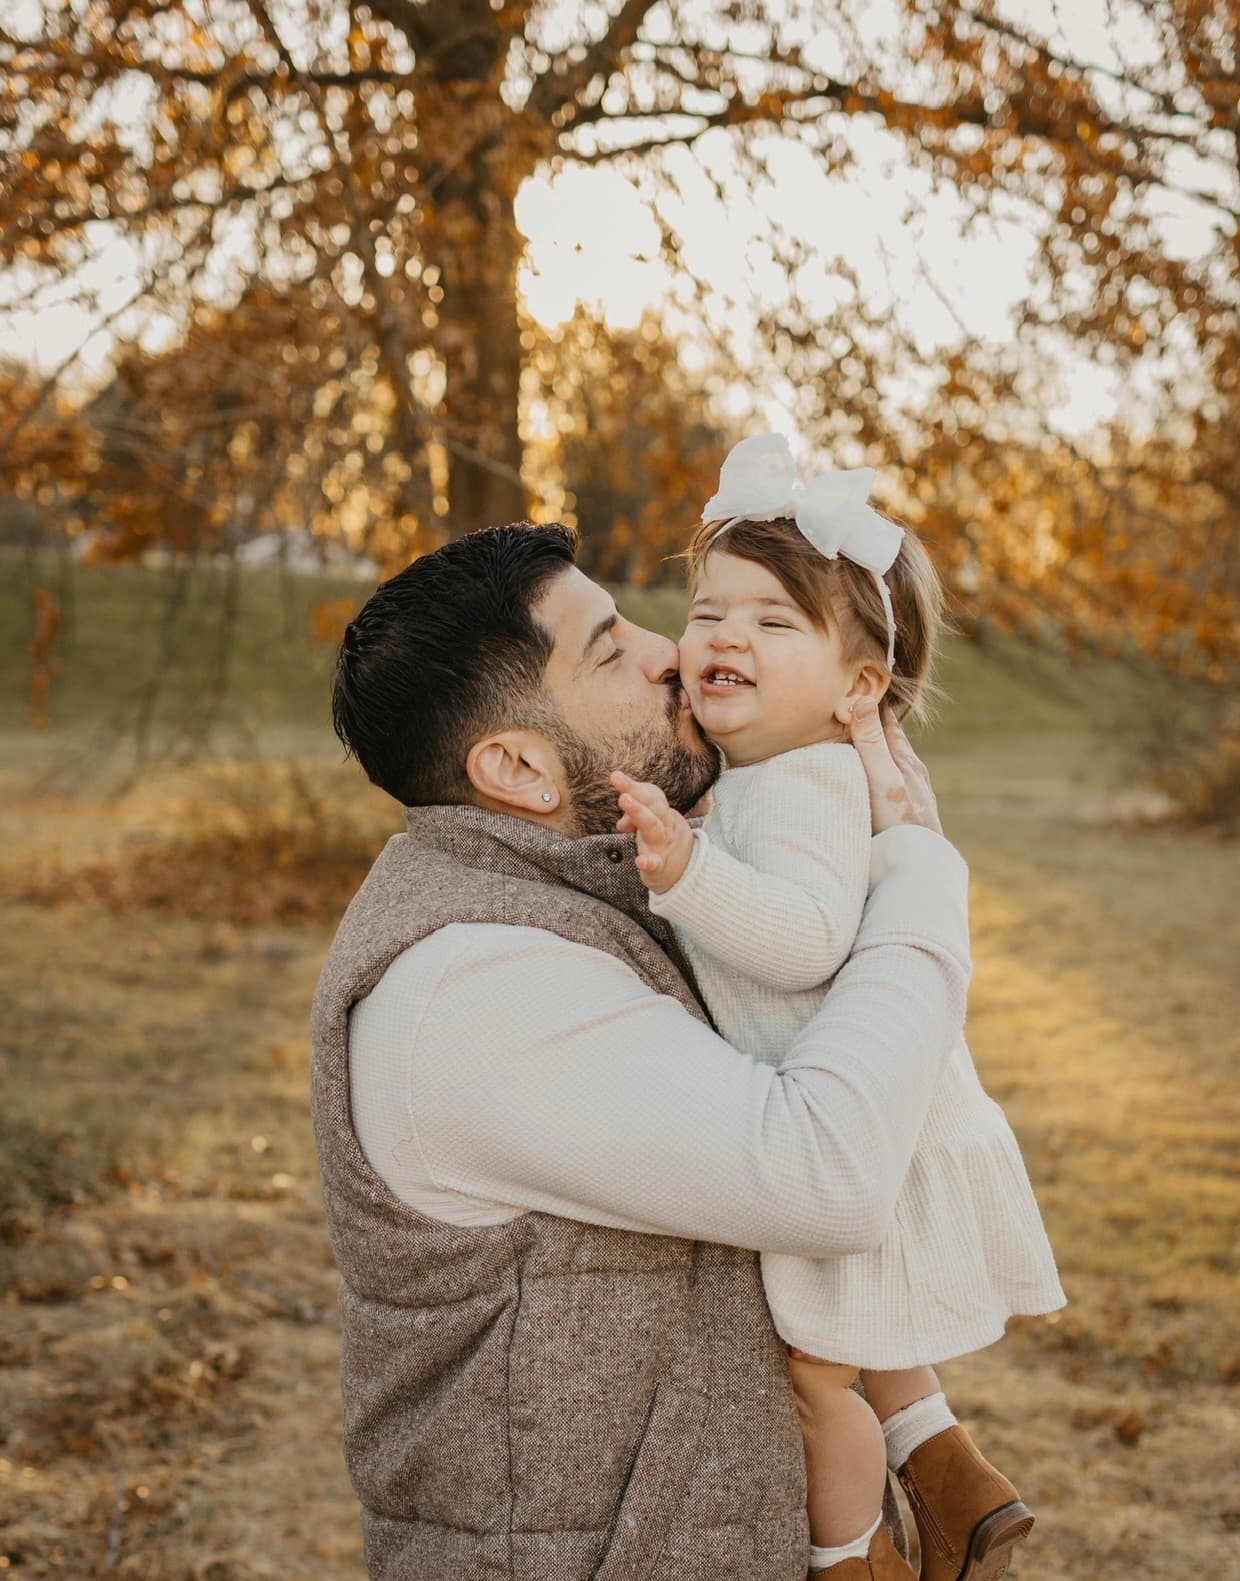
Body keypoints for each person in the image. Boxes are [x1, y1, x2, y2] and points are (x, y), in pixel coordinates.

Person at [316, 517, 973, 1581]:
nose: (674, 649)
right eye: (612, 650)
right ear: (520, 767)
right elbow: (827, 1174)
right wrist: (920, 875)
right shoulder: (473, 985)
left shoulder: (590, 890)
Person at [610, 435, 1065, 1581]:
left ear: (859, 688)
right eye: (710, 610)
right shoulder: (779, 773)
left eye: (772, 624)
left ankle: (850, 1558)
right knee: (858, 1344)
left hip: (854, 1131)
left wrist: (685, 874)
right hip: (874, 1115)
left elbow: (807, 937)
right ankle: (956, 1482)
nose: (722, 639)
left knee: (816, 1372)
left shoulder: (802, 784)